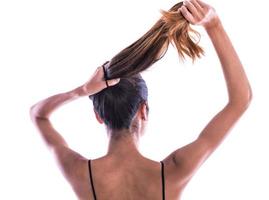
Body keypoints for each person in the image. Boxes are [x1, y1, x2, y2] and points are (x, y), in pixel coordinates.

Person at [30, 0, 252, 199]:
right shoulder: (174, 172)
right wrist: (214, 25)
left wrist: (81, 90)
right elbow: (241, 99)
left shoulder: (81, 173)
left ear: (98, 116)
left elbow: (38, 115)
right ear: (143, 109)